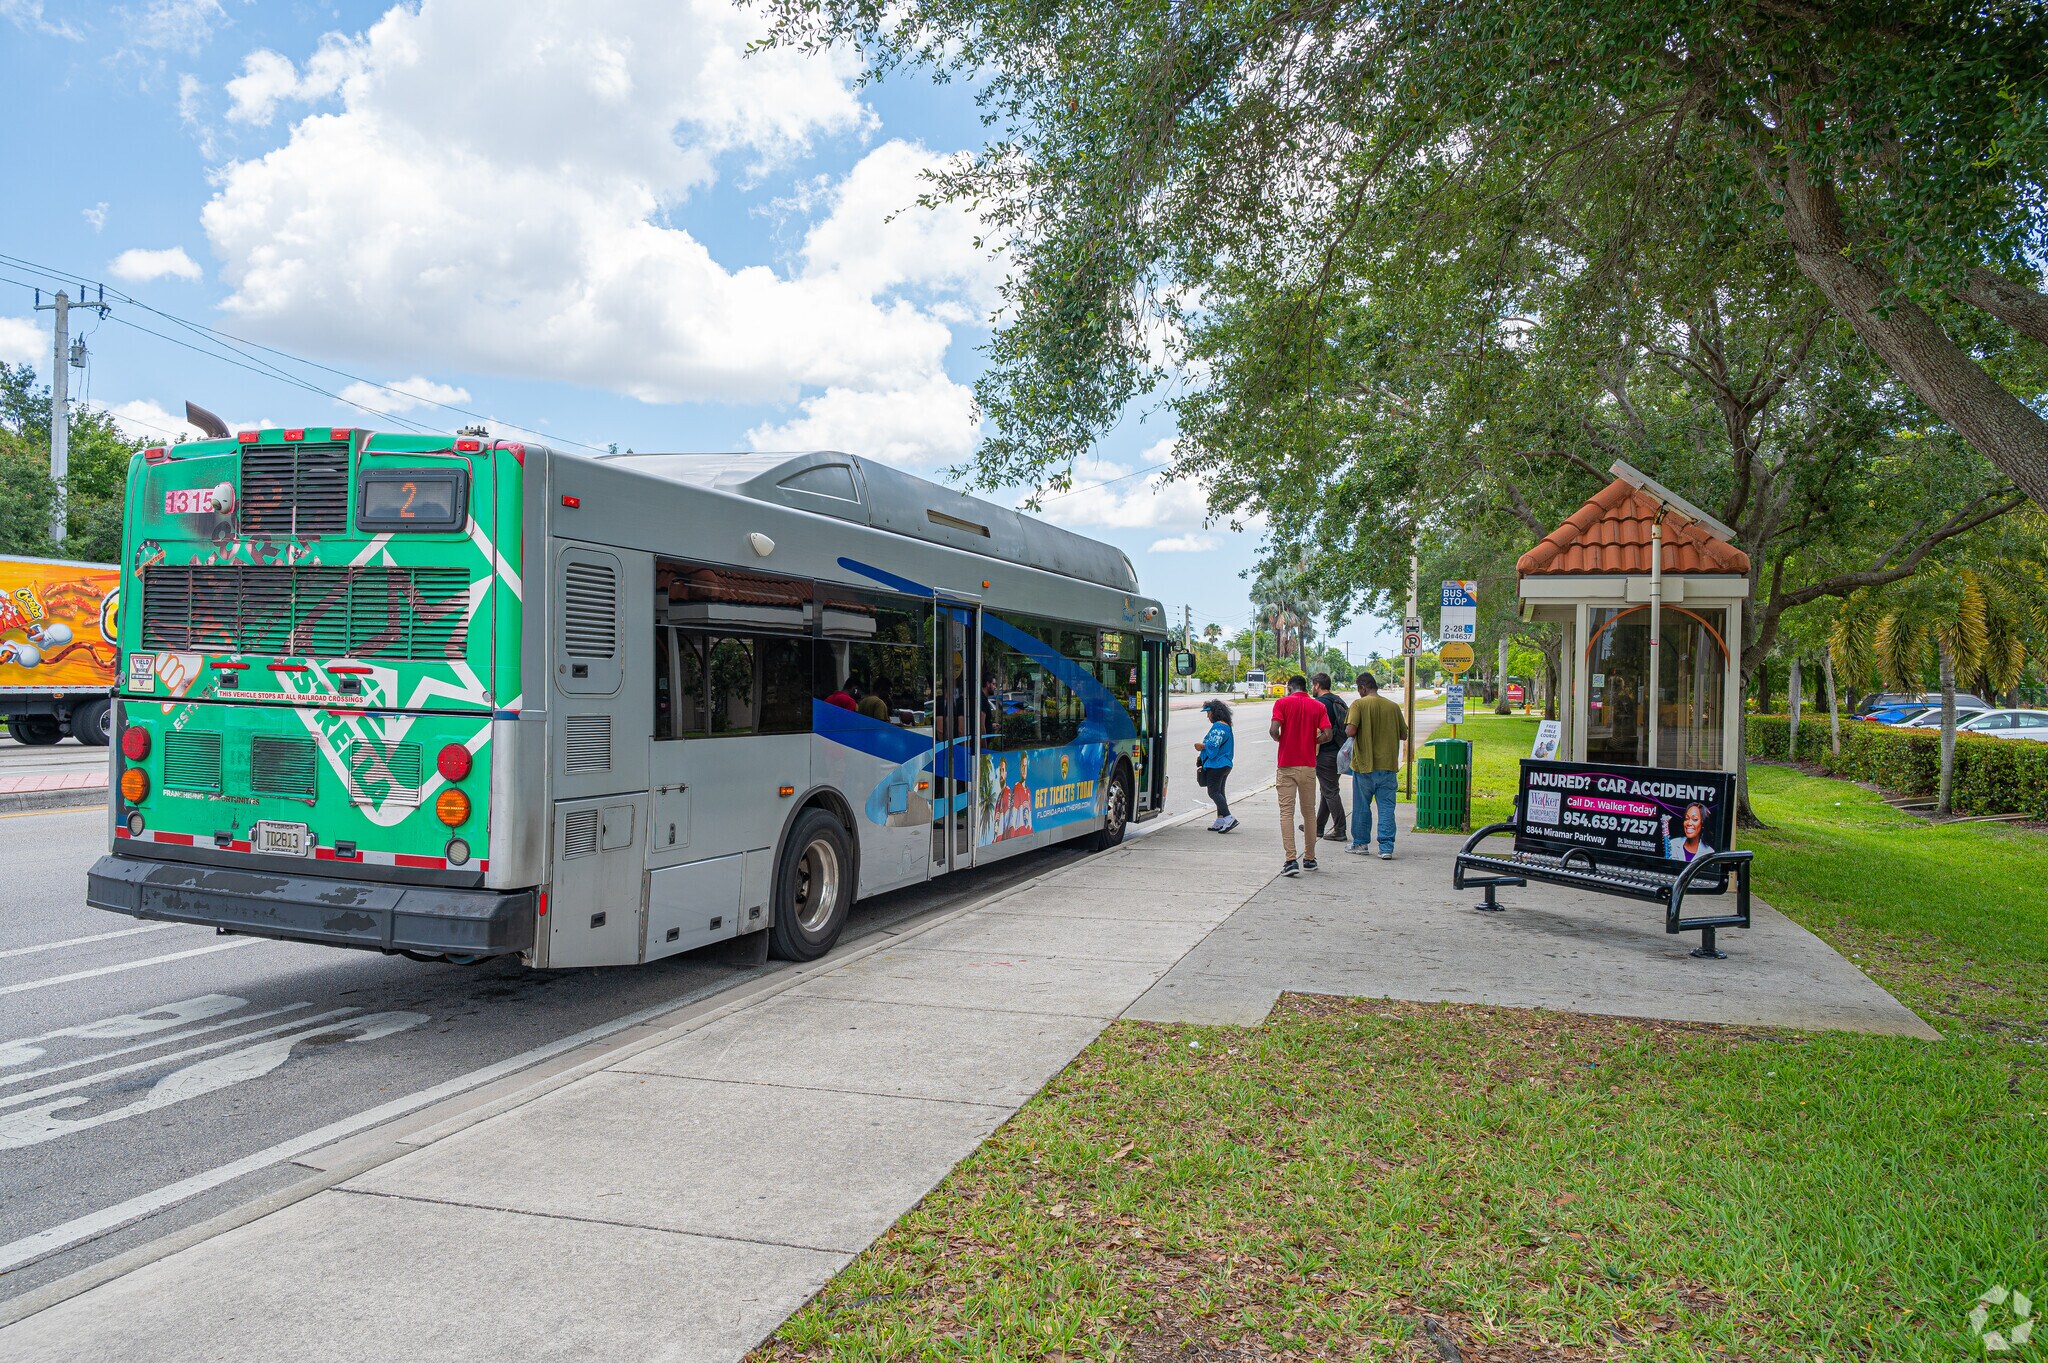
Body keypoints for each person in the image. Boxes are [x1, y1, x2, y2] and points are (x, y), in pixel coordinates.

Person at [1269, 674, 1332, 875]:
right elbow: (1328, 734)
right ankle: (1310, 858)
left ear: (1289, 688)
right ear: (1306, 687)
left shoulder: (1282, 703)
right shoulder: (1318, 707)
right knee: (1309, 813)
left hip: (1286, 765)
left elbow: (1273, 729)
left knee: (1286, 813)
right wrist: (1313, 741)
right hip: (1308, 766)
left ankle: (1290, 860)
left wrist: (1281, 739)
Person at [1345, 673, 1407, 859]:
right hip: (1387, 766)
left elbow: (1351, 730)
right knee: (1387, 807)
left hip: (1364, 766)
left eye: (1358, 689)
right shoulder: (1393, 707)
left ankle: (1361, 843)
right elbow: (1403, 735)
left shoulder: (1359, 704)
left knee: (1362, 806)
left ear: (1363, 688)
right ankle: (1386, 847)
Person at [1311, 672, 1348, 840]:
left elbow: (1314, 730)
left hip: (1325, 753)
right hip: (1340, 752)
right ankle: (1318, 827)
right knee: (1327, 789)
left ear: (1317, 685)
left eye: (1313, 685)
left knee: (1330, 791)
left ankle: (1340, 829)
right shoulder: (1338, 701)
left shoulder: (1319, 704)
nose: (1312, 688)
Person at [1194, 698, 1237, 832]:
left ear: (1215, 712)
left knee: (1213, 792)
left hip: (1216, 765)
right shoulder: (1226, 726)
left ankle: (1229, 818)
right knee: (1220, 792)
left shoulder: (1219, 727)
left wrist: (1201, 746)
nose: (1208, 716)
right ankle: (1220, 820)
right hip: (1225, 764)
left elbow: (1213, 747)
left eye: (1209, 713)